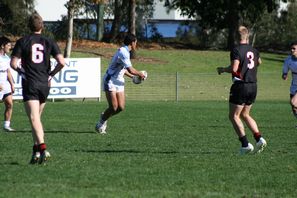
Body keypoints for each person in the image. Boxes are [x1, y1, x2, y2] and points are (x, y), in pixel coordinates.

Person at [10, 13, 65, 164]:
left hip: (31, 83)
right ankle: (35, 152)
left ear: (28, 26)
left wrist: (22, 72)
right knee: (37, 120)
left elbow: (13, 64)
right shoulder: (49, 41)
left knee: (34, 119)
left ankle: (43, 148)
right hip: (44, 84)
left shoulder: (23, 41)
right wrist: (51, 75)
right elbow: (61, 62)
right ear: (42, 26)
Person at [217, 25, 267, 155]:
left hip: (241, 85)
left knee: (234, 116)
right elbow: (259, 62)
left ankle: (245, 145)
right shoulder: (254, 50)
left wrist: (223, 69)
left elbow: (234, 68)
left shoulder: (236, 50)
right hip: (253, 86)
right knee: (245, 114)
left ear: (236, 37)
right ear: (248, 36)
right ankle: (259, 138)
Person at [95, 33, 146, 134]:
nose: (136, 44)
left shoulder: (126, 52)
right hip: (110, 80)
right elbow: (131, 69)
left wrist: (133, 77)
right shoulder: (123, 52)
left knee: (120, 107)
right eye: (136, 42)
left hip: (119, 81)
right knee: (113, 107)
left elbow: (124, 69)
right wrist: (141, 74)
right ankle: (101, 123)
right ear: (132, 42)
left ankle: (105, 114)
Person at [0, 36, 15, 132]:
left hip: (5, 85)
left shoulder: (6, 57)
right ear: (2, 46)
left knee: (9, 104)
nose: (10, 47)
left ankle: (6, 125)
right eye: (8, 45)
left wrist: (12, 84)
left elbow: (8, 71)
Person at [282, 41, 297, 125]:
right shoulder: (288, 60)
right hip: (294, 85)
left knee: (293, 102)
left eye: (294, 48)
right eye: (291, 48)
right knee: (294, 109)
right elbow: (284, 72)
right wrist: (284, 75)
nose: (292, 50)